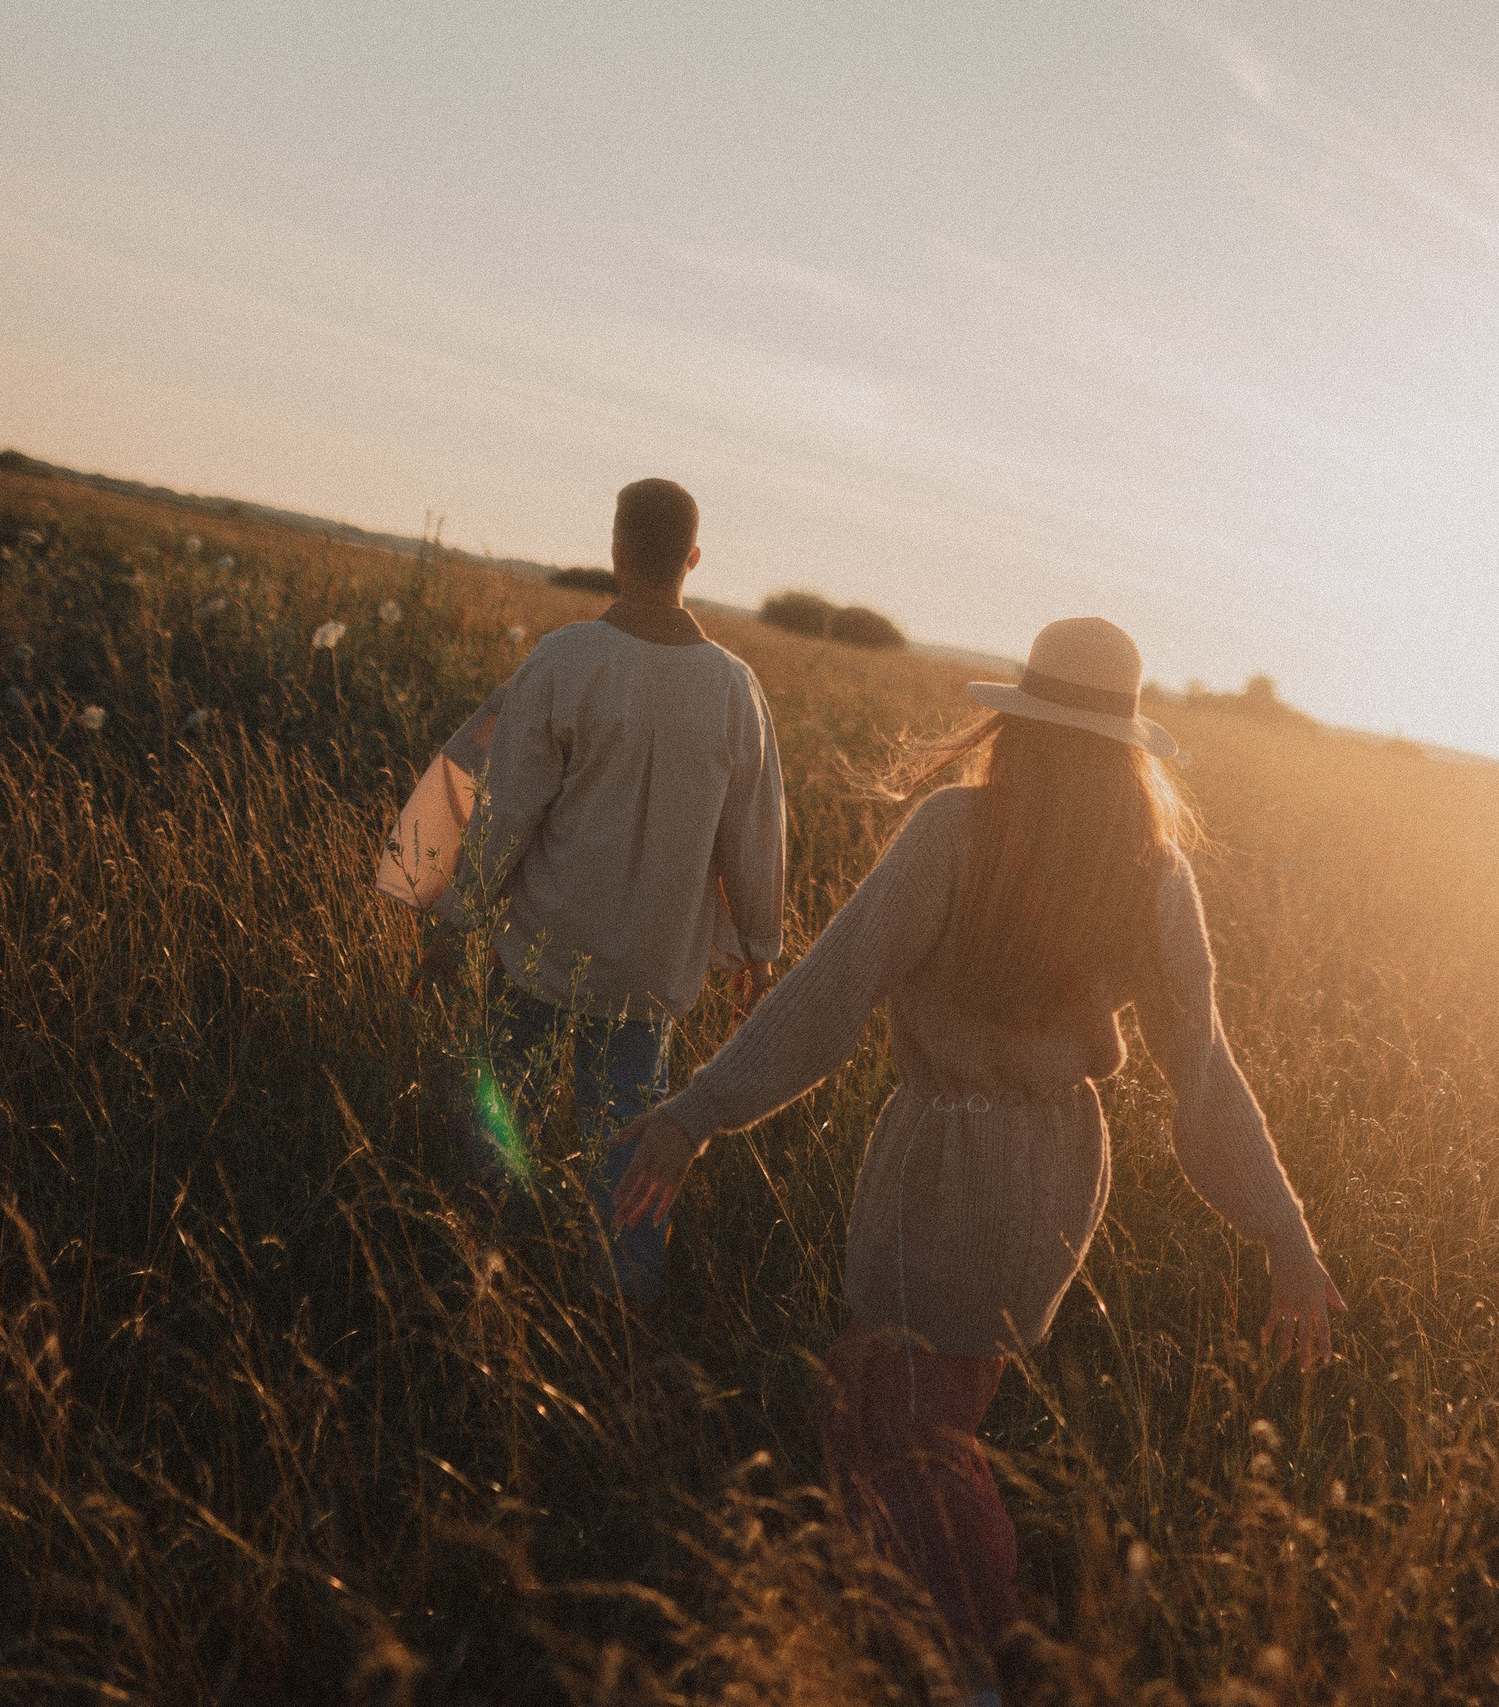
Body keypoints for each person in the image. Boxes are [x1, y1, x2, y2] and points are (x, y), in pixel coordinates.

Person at [604, 617, 1342, 1704]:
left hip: (949, 1162)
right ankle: (935, 1643)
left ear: (1021, 724)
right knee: (899, 1412)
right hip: (1054, 1176)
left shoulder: (958, 831)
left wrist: (694, 1112)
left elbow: (830, 992)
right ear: (1126, 745)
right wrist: (1282, 1230)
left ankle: (972, 1667)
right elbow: (1206, 1078)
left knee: (897, 1426)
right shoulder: (1150, 867)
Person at [386, 478, 785, 1300]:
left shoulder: (566, 659)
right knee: (631, 1170)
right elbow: (754, 838)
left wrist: (453, 922)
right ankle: (619, 1329)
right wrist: (759, 951)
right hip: (645, 982)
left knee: (500, 1140)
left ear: (614, 550)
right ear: (693, 559)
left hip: (538, 953)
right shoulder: (734, 689)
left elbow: (504, 815)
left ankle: (474, 1290)